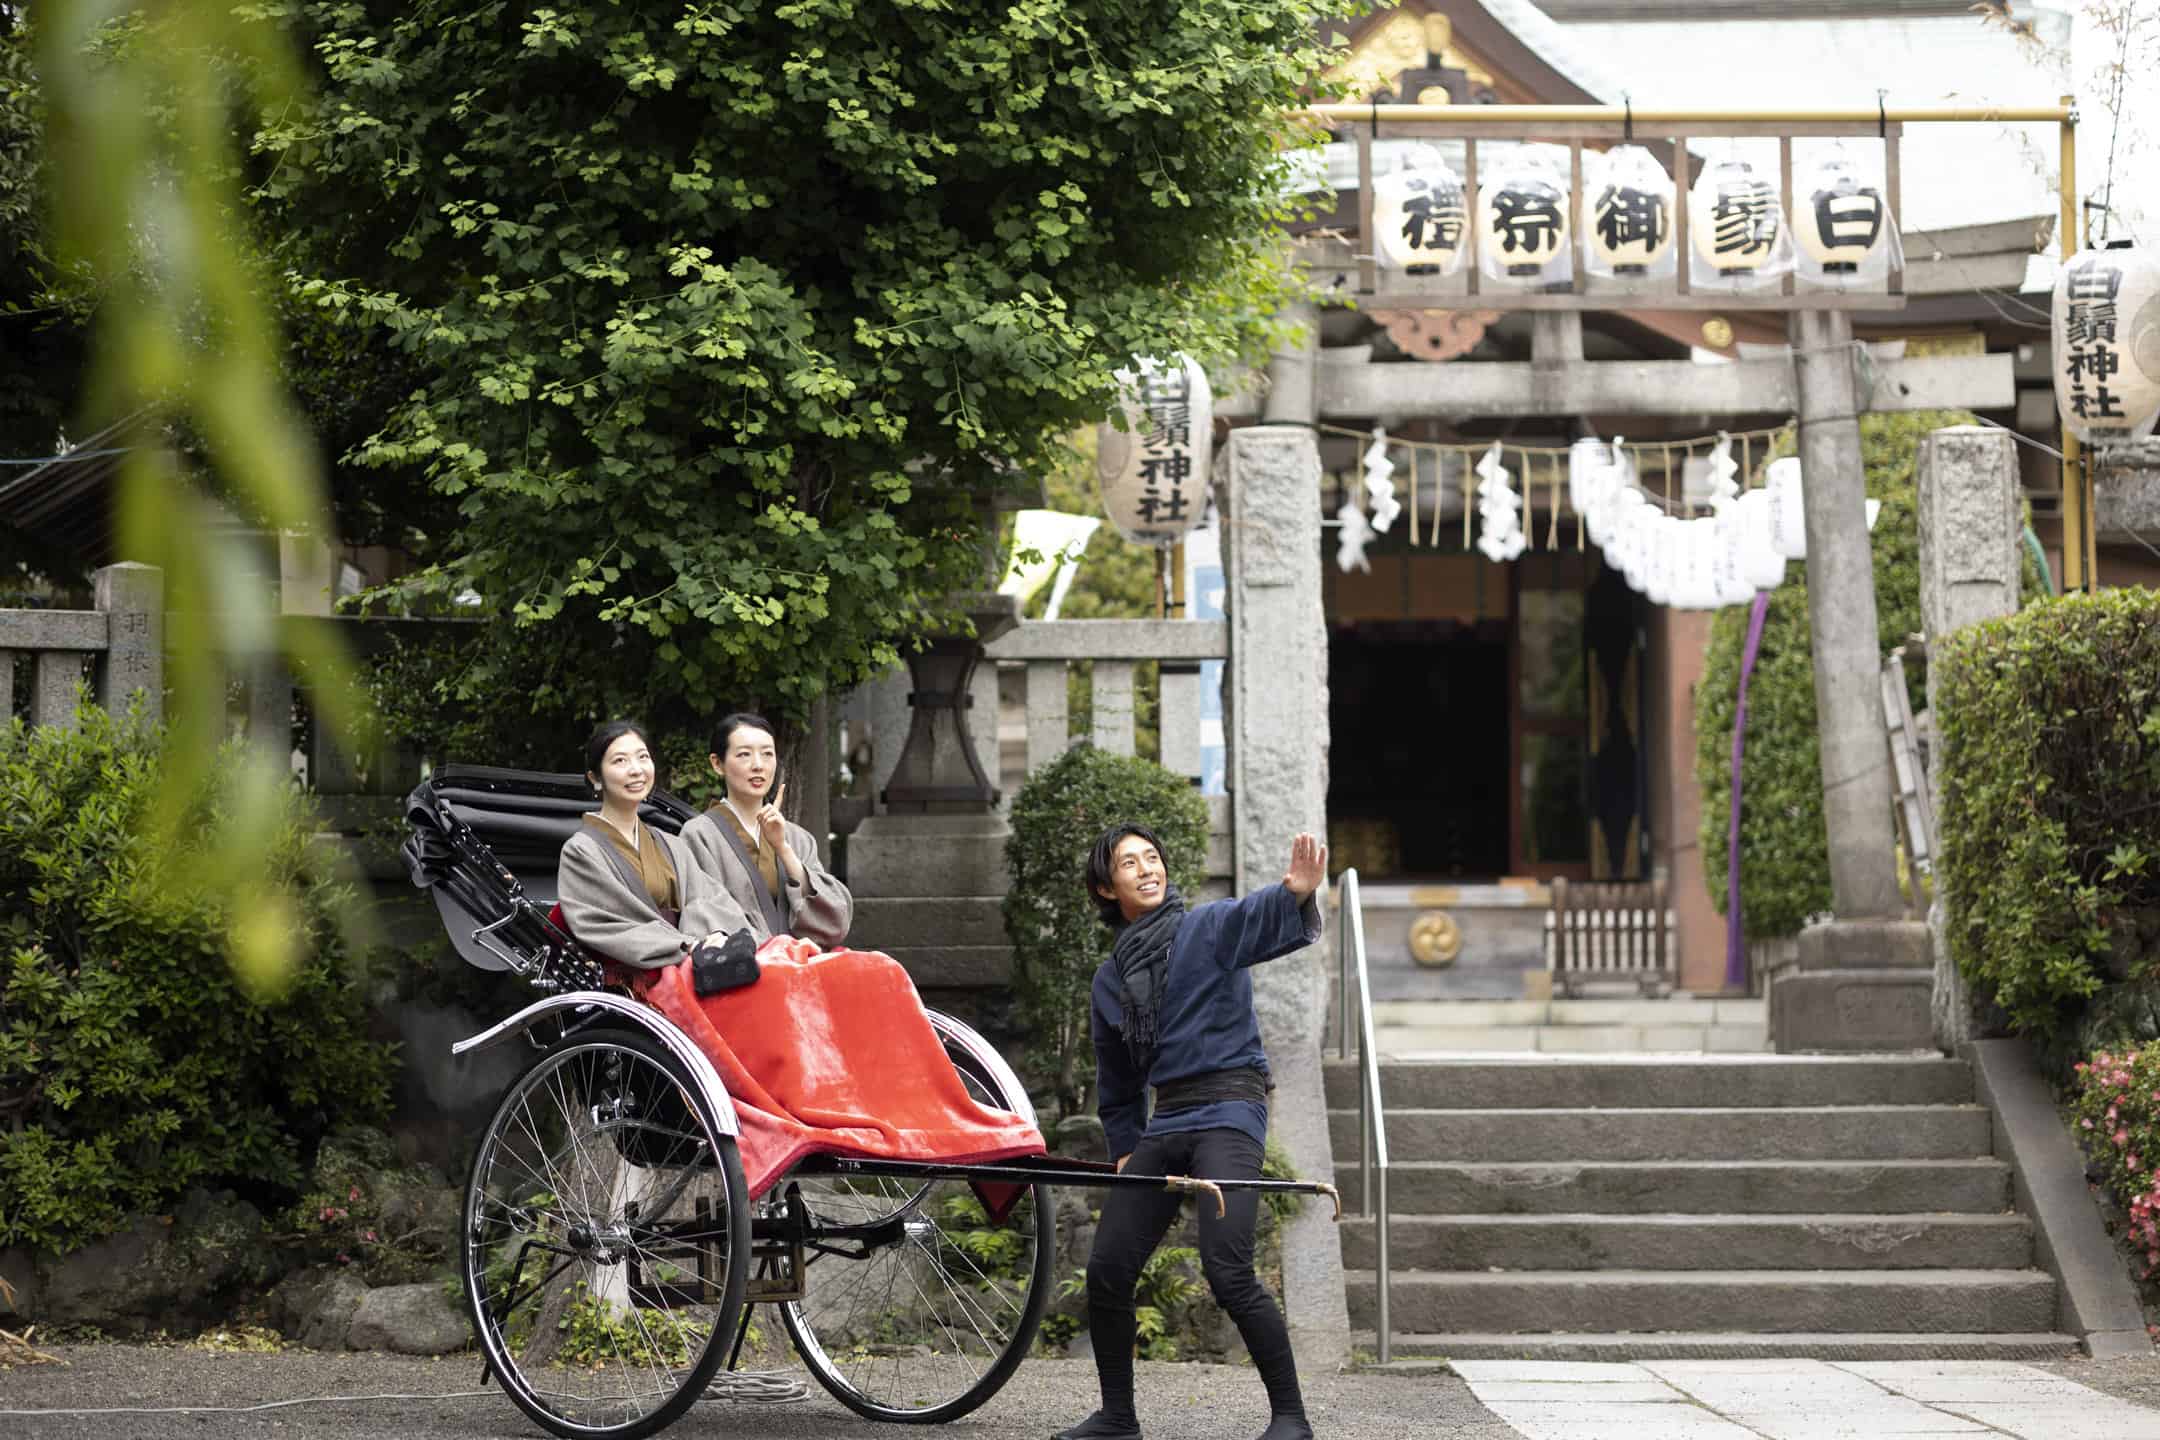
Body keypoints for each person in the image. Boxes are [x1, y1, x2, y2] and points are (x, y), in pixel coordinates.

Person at [1054, 824, 1327, 1440]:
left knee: (1227, 1269)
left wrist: (1294, 895)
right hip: (1169, 1116)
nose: (1148, 869)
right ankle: (1118, 1418)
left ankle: (1291, 1417)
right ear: (1106, 887)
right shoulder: (1110, 979)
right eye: (1130, 863)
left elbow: (1251, 915)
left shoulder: (1204, 928)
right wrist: (1125, 1146)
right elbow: (1117, 1077)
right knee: (1108, 1270)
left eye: (1153, 858)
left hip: (1231, 1107)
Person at [556, 720, 752, 968]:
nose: (636, 769)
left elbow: (711, 900)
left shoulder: (671, 844)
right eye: (620, 761)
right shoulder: (581, 851)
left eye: (642, 757)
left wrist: (710, 936)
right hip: (635, 980)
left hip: (694, 964)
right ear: (596, 778)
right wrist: (684, 944)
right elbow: (604, 925)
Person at [678, 711, 852, 949]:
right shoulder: (698, 835)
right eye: (744, 755)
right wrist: (777, 949)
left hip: (802, 964)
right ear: (717, 764)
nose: (758, 765)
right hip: (744, 968)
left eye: (767, 754)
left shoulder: (798, 838)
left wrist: (783, 848)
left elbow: (834, 921)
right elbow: (707, 911)